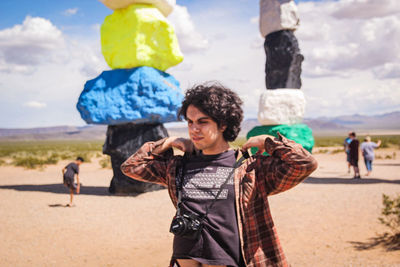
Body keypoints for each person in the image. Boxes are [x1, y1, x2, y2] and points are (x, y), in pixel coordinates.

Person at [121, 82, 318, 267]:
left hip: (225, 254)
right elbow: (131, 167)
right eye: (190, 122)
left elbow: (304, 164)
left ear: (223, 124)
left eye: (202, 122)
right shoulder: (178, 165)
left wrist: (269, 142)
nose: (194, 129)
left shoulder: (249, 168)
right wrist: (167, 142)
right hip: (185, 251)